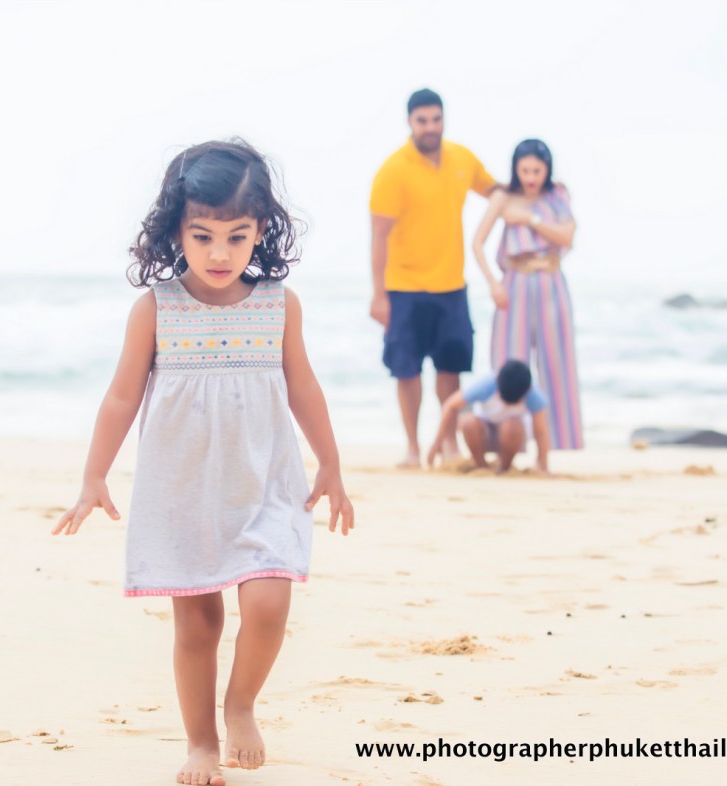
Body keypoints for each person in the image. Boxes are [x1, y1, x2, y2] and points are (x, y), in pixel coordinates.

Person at [51, 139, 354, 786]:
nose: (220, 253)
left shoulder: (278, 305)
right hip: (185, 490)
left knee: (270, 603)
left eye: (237, 237)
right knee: (199, 622)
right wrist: (93, 475)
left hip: (264, 483)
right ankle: (200, 743)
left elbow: (303, 387)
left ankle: (241, 704)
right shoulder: (157, 310)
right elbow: (121, 396)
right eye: (203, 235)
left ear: (261, 232)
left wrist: (330, 463)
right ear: (176, 231)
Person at [369, 87, 501, 468]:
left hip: (451, 287)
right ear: (410, 122)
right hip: (404, 288)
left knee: (451, 370)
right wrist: (378, 295)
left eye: (436, 119)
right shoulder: (393, 170)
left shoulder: (462, 159)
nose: (430, 127)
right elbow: (378, 237)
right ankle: (412, 448)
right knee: (407, 372)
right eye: (422, 120)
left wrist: (542, 192)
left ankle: (448, 446)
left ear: (443, 119)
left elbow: (496, 192)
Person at [471, 138, 583, 450]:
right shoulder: (504, 197)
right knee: (508, 362)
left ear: (546, 169)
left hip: (551, 280)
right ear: (515, 170)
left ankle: (559, 443)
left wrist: (529, 218)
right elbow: (477, 242)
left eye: (537, 170)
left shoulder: (558, 195)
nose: (531, 176)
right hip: (515, 282)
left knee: (557, 361)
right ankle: (507, 440)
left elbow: (567, 236)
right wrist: (494, 283)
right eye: (525, 170)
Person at [427, 359, 550, 474]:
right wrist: (436, 445)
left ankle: (504, 468)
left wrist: (543, 464)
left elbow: (541, 431)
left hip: (512, 437)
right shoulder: (487, 385)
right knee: (468, 421)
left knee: (513, 425)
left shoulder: (533, 395)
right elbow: (450, 406)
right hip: (483, 434)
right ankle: (481, 466)